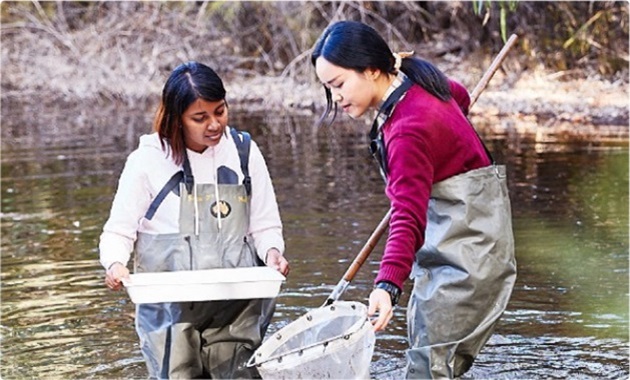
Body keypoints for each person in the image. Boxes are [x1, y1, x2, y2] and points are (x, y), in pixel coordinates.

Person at [311, 21, 517, 379]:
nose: (337, 98)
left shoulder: (407, 129)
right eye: (329, 88)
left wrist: (387, 286)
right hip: (454, 243)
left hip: (469, 256)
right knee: (431, 358)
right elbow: (460, 96)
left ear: (372, 70)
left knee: (428, 367)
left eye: (339, 84)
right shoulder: (417, 82)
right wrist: (448, 134)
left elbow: (408, 216)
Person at [99, 61, 289, 379]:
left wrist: (272, 251)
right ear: (177, 120)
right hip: (169, 306)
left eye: (220, 111)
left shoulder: (244, 153)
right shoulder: (146, 161)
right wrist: (115, 263)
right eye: (200, 118)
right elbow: (118, 231)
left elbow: (265, 223)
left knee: (237, 374)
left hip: (235, 301)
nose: (214, 124)